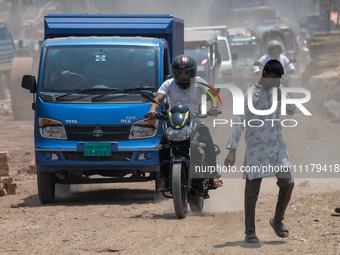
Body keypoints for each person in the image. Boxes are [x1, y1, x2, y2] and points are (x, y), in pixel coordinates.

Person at [224, 60, 296, 243]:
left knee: (287, 182)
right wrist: (232, 150)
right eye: (273, 79)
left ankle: (278, 220)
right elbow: (239, 121)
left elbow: (292, 111)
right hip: (256, 148)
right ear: (264, 75)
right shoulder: (250, 95)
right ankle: (250, 230)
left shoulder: (278, 92)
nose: (276, 83)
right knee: (252, 191)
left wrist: (282, 94)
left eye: (279, 80)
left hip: (277, 146)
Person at [147, 54, 223, 191]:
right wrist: (152, 110)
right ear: (174, 73)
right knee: (163, 145)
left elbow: (212, 96)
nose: (183, 76)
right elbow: (158, 99)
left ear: (192, 72)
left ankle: (212, 176)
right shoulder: (168, 84)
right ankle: (164, 178)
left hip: (196, 121)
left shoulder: (200, 82)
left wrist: (214, 107)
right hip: (174, 122)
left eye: (186, 73)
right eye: (179, 73)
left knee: (208, 143)